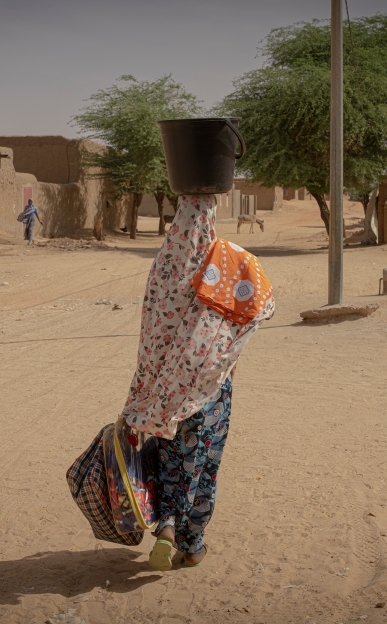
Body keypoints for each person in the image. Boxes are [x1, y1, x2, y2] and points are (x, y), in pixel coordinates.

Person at [117, 194, 274, 570]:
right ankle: (193, 544)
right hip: (210, 392)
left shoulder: (162, 269)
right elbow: (258, 308)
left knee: (169, 457)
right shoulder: (228, 262)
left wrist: (139, 398)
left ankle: (167, 524)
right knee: (203, 464)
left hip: (164, 392)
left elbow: (150, 335)